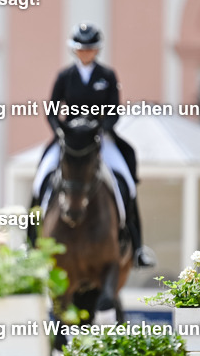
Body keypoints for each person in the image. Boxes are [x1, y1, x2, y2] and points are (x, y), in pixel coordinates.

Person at [31, 23, 155, 268]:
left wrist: (101, 131)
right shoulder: (65, 76)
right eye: (82, 49)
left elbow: (113, 111)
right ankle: (31, 242)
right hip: (70, 141)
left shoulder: (107, 76)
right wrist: (60, 131)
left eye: (90, 49)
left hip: (99, 140)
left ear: (96, 50)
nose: (86, 53)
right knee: (41, 179)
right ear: (75, 50)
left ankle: (137, 247)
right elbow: (53, 110)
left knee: (127, 185)